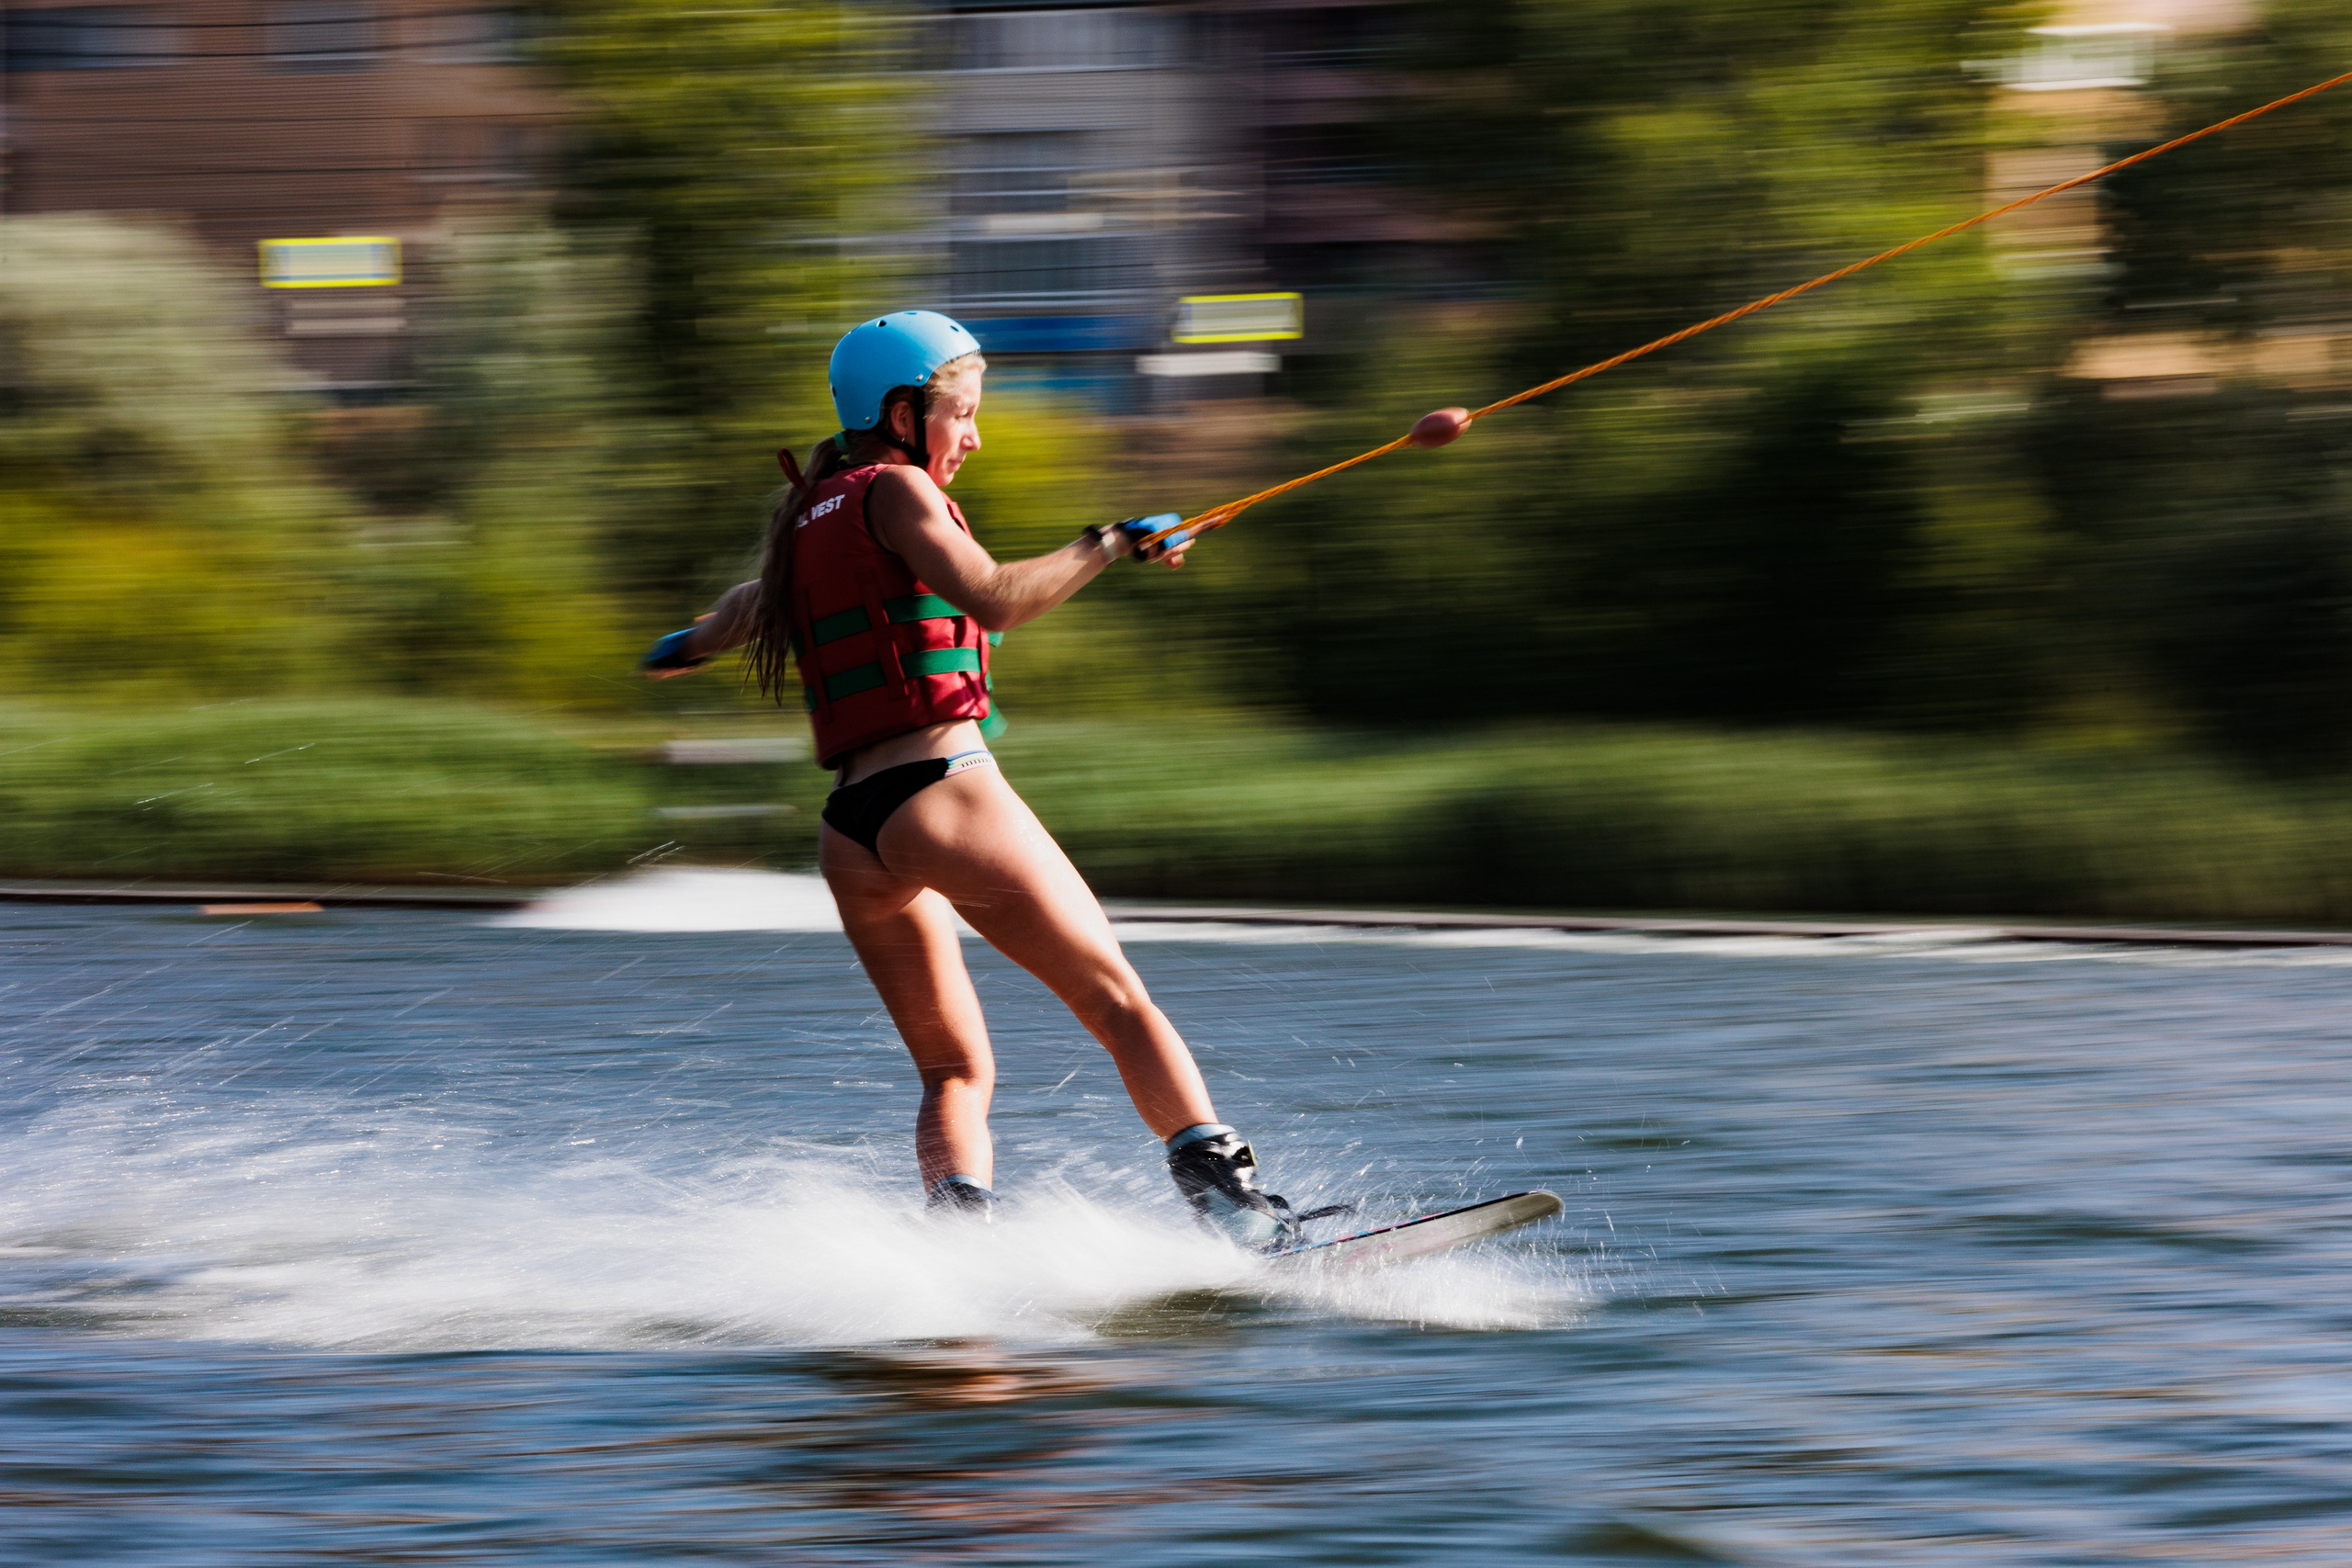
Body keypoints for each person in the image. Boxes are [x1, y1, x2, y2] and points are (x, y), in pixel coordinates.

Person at [640, 311, 1297, 1248]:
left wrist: (678, 649)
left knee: (953, 1072)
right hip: (941, 787)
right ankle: (1244, 1224)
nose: (973, 436)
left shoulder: (807, 518)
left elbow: (733, 617)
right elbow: (990, 595)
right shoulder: (898, 491)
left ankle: (960, 1249)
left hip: (853, 831)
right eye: (961, 413)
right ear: (901, 413)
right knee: (1116, 1001)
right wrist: (1107, 543)